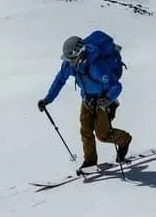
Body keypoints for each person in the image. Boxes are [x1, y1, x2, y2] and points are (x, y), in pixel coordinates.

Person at [38, 31, 132, 174]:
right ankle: (90, 162)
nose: (69, 62)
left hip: (102, 101)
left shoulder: (97, 66)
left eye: (72, 59)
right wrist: (47, 99)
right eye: (68, 59)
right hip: (87, 99)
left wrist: (108, 99)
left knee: (103, 135)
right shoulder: (69, 64)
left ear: (80, 54)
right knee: (85, 130)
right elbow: (59, 81)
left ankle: (124, 140)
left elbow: (116, 86)